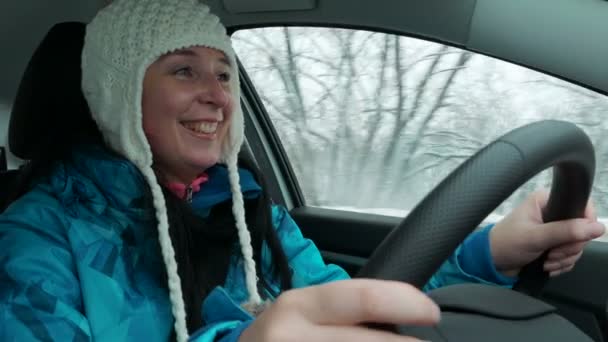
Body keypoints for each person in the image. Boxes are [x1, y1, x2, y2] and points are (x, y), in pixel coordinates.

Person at [0, 0, 604, 341]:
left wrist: (488, 253)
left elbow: (349, 308)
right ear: (117, 95)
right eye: (183, 71)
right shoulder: (36, 233)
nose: (218, 96)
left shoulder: (251, 210)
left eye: (224, 72)